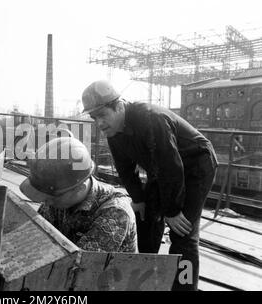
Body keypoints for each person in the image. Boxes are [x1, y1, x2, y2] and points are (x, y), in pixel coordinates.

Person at [81, 80, 218, 291]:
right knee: (145, 220)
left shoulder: (150, 119)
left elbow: (171, 166)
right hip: (163, 169)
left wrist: (172, 211)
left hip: (196, 165)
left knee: (183, 235)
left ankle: (184, 287)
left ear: (119, 107)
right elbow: (126, 169)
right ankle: (143, 281)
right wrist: (138, 199)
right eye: (94, 117)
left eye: (102, 115)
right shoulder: (114, 132)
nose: (99, 123)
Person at [19, 136, 137, 253]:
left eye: (51, 198)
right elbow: (35, 236)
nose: (46, 202)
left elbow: (79, 266)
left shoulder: (116, 213)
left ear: (80, 188)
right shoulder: (59, 194)